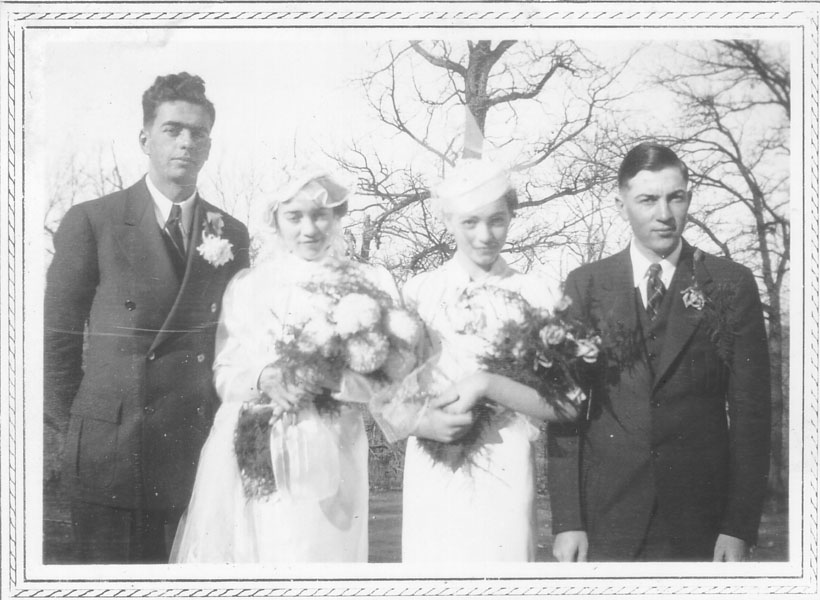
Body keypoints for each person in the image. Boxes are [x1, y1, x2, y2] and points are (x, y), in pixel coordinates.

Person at [43, 72, 250, 563]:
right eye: (172, 129)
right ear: (144, 138)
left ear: (209, 144)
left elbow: (240, 339)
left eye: (197, 133)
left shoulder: (232, 232)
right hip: (113, 454)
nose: (186, 142)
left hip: (196, 450)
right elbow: (57, 340)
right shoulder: (93, 220)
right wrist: (77, 431)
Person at [171, 170, 424, 563]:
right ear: (276, 221)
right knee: (260, 552)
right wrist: (262, 377)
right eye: (294, 217)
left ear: (337, 216)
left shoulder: (364, 283)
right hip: (257, 438)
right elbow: (225, 371)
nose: (309, 228)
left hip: (332, 442)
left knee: (319, 553)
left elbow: (389, 376)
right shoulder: (249, 285)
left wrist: (328, 379)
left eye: (320, 214)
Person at [548, 142, 771, 562]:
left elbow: (752, 415)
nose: (664, 214)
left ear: (689, 198)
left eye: (676, 197)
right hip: (607, 520)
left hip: (702, 522)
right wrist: (567, 520)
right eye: (648, 200)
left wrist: (738, 526)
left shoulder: (729, 283)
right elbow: (564, 413)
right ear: (621, 203)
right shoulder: (586, 286)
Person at [401, 159, 579, 563]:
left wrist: (489, 385)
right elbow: (388, 396)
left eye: (497, 220)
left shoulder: (536, 293)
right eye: (470, 222)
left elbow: (566, 403)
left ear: (512, 216)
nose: (485, 236)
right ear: (447, 220)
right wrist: (424, 422)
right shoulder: (418, 292)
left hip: (507, 462)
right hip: (433, 465)